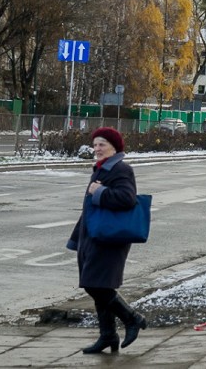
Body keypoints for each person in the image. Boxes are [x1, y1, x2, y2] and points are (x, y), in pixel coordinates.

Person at [67, 127, 147, 354]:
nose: (97, 149)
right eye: (95, 145)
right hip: (94, 237)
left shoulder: (121, 169)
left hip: (110, 238)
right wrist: (76, 238)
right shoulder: (101, 169)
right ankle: (108, 335)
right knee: (98, 285)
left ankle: (132, 319)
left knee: (95, 285)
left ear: (114, 147)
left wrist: (99, 192)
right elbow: (89, 210)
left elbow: (127, 198)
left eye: (102, 144)